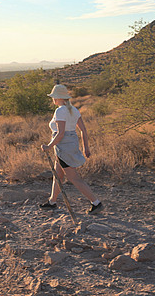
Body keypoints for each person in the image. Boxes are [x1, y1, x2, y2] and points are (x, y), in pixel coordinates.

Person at [39, 84, 103, 214]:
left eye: (53, 97)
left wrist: (49, 146)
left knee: (73, 177)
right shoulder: (74, 110)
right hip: (70, 144)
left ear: (57, 98)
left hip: (63, 146)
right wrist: (86, 148)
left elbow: (61, 133)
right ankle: (52, 201)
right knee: (58, 175)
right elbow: (83, 130)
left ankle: (96, 203)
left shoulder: (60, 111)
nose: (53, 99)